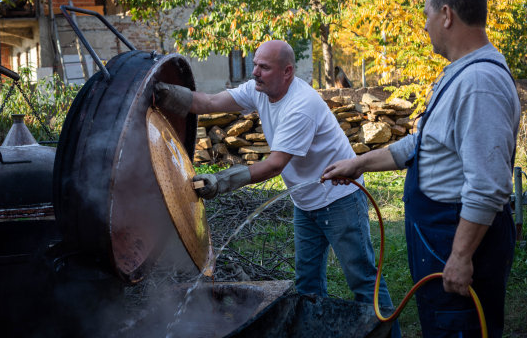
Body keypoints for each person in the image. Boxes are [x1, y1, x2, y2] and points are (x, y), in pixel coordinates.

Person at [155, 40, 401, 337]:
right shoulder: (259, 89)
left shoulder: (301, 105)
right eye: (255, 64)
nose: (255, 72)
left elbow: (274, 165)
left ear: (287, 72)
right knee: (308, 282)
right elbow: (208, 103)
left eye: (264, 67)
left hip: (341, 198)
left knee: (362, 278)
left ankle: (389, 334)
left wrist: (221, 181)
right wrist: (162, 93)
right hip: (305, 201)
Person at [322, 0, 520, 338]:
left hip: (456, 243)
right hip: (439, 239)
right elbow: (422, 143)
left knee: (459, 327)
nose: (425, 26)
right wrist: (359, 162)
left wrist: (460, 257)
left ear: (446, 15)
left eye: (427, 15)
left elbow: (489, 185)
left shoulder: (479, 84)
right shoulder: (458, 75)